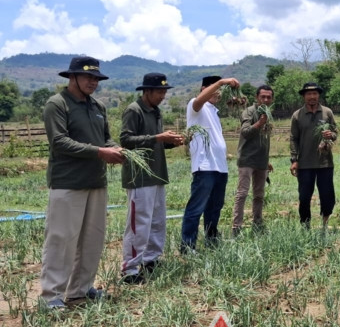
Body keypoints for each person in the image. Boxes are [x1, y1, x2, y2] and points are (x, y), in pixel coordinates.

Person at [40, 56, 125, 309]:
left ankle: (80, 289)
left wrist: (116, 149)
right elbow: (59, 142)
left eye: (96, 78)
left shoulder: (98, 107)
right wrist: (101, 152)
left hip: (96, 182)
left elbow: (106, 139)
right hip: (68, 183)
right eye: (88, 77)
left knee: (92, 239)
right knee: (62, 240)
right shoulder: (57, 104)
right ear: (72, 77)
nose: (93, 82)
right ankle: (51, 296)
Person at [120, 73, 184, 284]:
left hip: (156, 173)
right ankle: (130, 268)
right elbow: (126, 140)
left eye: (165, 92)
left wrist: (169, 142)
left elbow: (154, 143)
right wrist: (158, 137)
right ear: (146, 91)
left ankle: (151, 259)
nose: (163, 96)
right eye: (159, 92)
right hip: (140, 176)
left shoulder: (155, 111)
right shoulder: (134, 110)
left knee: (157, 221)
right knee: (139, 223)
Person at [181, 75, 240, 252]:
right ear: (204, 89)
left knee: (215, 207)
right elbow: (200, 100)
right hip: (204, 166)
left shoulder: (214, 111)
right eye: (214, 89)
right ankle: (187, 245)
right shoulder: (196, 106)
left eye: (220, 91)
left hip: (219, 167)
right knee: (196, 207)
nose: (218, 93)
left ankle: (211, 239)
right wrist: (221, 82)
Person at [290, 82, 337, 230]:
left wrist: (331, 135)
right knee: (304, 197)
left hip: (325, 163)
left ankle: (324, 224)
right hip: (304, 164)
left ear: (318, 95)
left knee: (327, 195)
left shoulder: (327, 113)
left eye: (315, 93)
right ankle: (306, 225)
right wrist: (294, 160)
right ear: (304, 96)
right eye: (308, 94)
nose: (312, 96)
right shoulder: (297, 115)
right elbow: (293, 138)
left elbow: (335, 133)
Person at [233, 85, 274, 236]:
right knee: (242, 193)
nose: (265, 99)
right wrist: (259, 123)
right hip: (247, 159)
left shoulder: (268, 113)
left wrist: (267, 160)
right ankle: (236, 227)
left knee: (259, 195)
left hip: (261, 161)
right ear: (257, 97)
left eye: (269, 97)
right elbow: (245, 132)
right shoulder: (249, 112)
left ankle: (257, 223)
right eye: (263, 96)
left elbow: (265, 139)